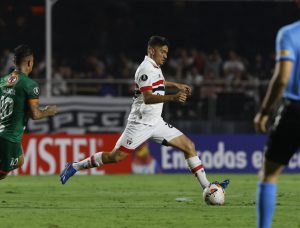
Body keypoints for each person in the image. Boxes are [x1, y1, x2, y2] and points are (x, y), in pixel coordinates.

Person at [60, 36, 229, 193]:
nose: (165, 56)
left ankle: (208, 186)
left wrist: (175, 85)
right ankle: (75, 166)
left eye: (167, 53)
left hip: (156, 122)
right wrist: (173, 97)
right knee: (115, 156)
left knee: (189, 146)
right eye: (162, 52)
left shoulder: (155, 67)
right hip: (139, 123)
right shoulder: (144, 69)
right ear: (152, 50)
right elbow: (148, 98)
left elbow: (159, 82)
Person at [254, 16, 300, 228]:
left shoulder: (289, 33)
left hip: (294, 111)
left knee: (269, 174)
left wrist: (264, 112)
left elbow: (282, 78)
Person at [0, 44, 58, 180]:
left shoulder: (2, 81)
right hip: (10, 137)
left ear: (14, 62)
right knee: (2, 174)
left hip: (4, 132)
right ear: (29, 62)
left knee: (20, 160)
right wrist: (48, 111)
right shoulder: (30, 85)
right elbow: (35, 114)